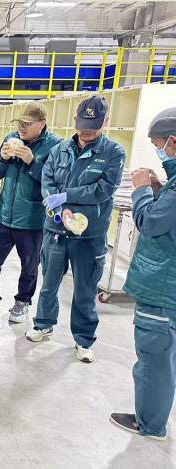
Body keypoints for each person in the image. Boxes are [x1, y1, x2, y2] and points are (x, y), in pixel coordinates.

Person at [25, 95, 125, 363]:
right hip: (56, 230)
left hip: (88, 235)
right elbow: (47, 180)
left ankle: (84, 339)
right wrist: (59, 208)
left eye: (93, 125)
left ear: (106, 121)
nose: (86, 130)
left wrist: (67, 196)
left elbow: (104, 189)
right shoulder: (60, 149)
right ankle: (43, 323)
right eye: (82, 125)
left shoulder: (113, 152)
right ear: (74, 120)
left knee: (84, 290)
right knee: (49, 285)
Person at [110, 108, 176, 441]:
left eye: (158, 145)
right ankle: (154, 418)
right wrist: (159, 187)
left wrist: (140, 190)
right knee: (164, 356)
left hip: (163, 286)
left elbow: (150, 222)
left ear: (172, 141)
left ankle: (150, 424)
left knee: (153, 359)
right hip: (168, 286)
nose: (158, 151)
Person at [0, 102, 62, 321]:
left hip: (32, 220)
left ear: (42, 123)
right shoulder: (11, 137)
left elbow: (56, 181)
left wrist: (32, 162)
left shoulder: (56, 146)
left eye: (27, 123)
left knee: (29, 266)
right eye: (19, 123)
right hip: (3, 215)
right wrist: (3, 158)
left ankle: (22, 302)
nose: (21, 127)